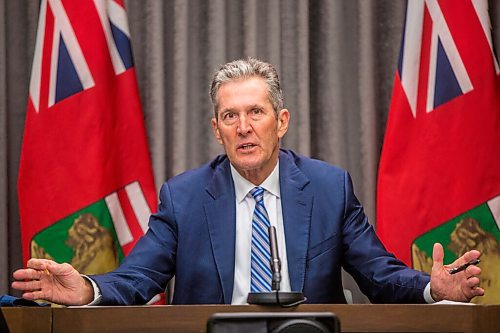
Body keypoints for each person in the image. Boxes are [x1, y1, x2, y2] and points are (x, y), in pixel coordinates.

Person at [12, 58, 484, 306]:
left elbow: (380, 276)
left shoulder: (328, 188)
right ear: (216, 129)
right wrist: (88, 291)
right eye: (230, 116)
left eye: (255, 113)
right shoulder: (184, 197)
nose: (243, 127)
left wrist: (433, 288)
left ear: (281, 121)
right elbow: (139, 279)